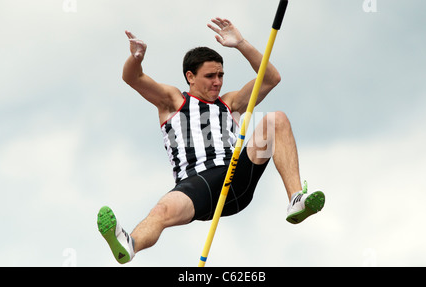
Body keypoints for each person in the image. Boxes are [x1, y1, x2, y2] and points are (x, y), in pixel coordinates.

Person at [97, 18, 325, 264]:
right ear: (190, 77)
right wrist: (137, 57)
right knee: (161, 211)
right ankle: (129, 244)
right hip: (197, 184)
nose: (217, 82)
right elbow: (133, 78)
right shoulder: (172, 101)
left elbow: (271, 78)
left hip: (236, 176)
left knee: (276, 120)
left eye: (220, 75)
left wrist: (241, 44)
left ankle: (295, 200)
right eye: (210, 76)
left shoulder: (231, 103)